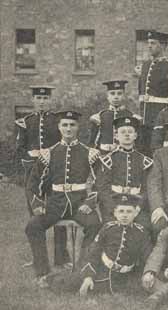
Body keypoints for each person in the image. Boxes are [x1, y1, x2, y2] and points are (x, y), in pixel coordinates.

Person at [25, 110, 102, 288]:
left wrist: (89, 203)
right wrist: (37, 204)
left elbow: (100, 181)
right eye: (65, 125)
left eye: (72, 125)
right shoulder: (48, 153)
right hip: (54, 204)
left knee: (95, 225)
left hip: (79, 204)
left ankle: (83, 270)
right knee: (33, 225)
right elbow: (33, 183)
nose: (68, 128)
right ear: (59, 127)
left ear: (78, 127)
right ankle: (43, 273)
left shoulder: (90, 153)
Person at [15, 85, 68, 268]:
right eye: (38, 98)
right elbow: (20, 148)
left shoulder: (57, 120)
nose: (42, 102)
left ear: (50, 100)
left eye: (45, 99)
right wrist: (30, 156)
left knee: (58, 211)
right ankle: (37, 258)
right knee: (34, 214)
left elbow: (63, 144)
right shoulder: (26, 121)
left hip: (53, 173)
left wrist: (49, 155)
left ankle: (62, 258)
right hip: (33, 172)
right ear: (33, 100)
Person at [79, 194, 152, 296]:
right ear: (115, 213)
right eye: (121, 211)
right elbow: (93, 252)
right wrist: (88, 276)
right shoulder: (107, 228)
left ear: (135, 213)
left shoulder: (141, 232)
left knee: (138, 292)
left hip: (127, 276)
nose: (125, 215)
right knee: (68, 283)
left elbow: (147, 255)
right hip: (104, 272)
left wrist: (148, 272)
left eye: (129, 211)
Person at [95, 116, 153, 228]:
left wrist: (138, 207)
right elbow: (102, 188)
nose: (127, 135)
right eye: (123, 132)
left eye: (130, 132)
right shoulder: (108, 159)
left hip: (136, 203)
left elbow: (147, 188)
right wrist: (113, 208)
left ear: (135, 135)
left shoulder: (144, 160)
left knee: (145, 227)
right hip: (114, 203)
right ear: (116, 136)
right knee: (111, 229)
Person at [135, 30, 168, 155]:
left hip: (159, 119)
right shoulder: (145, 66)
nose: (149, 46)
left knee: (157, 152)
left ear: (163, 46)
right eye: (148, 43)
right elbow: (140, 91)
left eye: (153, 43)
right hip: (144, 119)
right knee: (143, 152)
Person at [88, 80, 141, 153]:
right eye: (112, 94)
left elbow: (138, 143)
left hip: (124, 155)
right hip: (104, 154)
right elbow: (92, 142)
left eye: (119, 94)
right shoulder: (99, 117)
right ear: (107, 96)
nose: (116, 97)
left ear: (124, 96)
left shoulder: (132, 117)